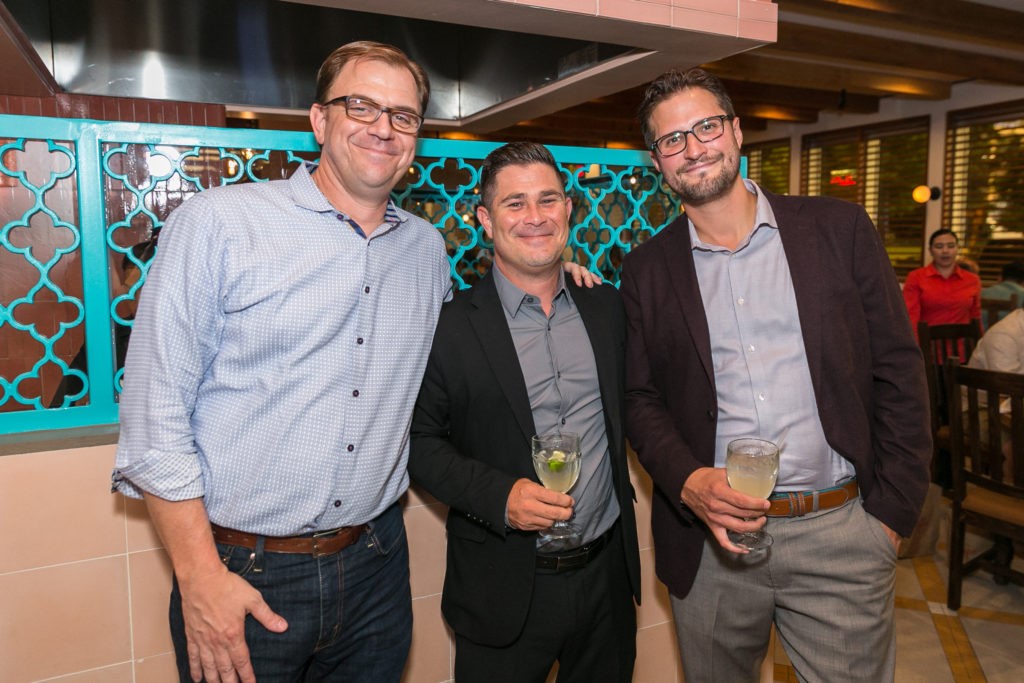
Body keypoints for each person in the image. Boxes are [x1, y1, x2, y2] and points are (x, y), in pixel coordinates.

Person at [620, 68, 931, 682]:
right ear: (657, 161)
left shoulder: (838, 230)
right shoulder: (646, 269)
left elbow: (898, 368)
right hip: (711, 542)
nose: (693, 147)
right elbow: (639, 397)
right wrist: (688, 482)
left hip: (840, 531)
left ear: (737, 131)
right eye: (672, 139)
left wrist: (891, 516)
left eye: (707, 127)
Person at [409, 141, 641, 682]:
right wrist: (499, 497)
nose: (535, 217)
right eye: (515, 204)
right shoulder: (450, 327)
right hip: (502, 586)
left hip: (606, 579)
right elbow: (418, 443)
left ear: (568, 209)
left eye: (548, 200)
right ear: (486, 220)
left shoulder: (606, 307)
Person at [903, 228, 981, 333]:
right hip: (926, 341)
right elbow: (910, 316)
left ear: (957, 249)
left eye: (951, 246)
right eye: (939, 246)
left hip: (963, 341)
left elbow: (975, 317)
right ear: (930, 250)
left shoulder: (972, 279)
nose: (945, 251)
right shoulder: (916, 277)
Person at [981, 260, 1024, 326]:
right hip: (1009, 332)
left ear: (1001, 276)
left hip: (984, 332)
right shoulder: (1022, 294)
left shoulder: (983, 293)